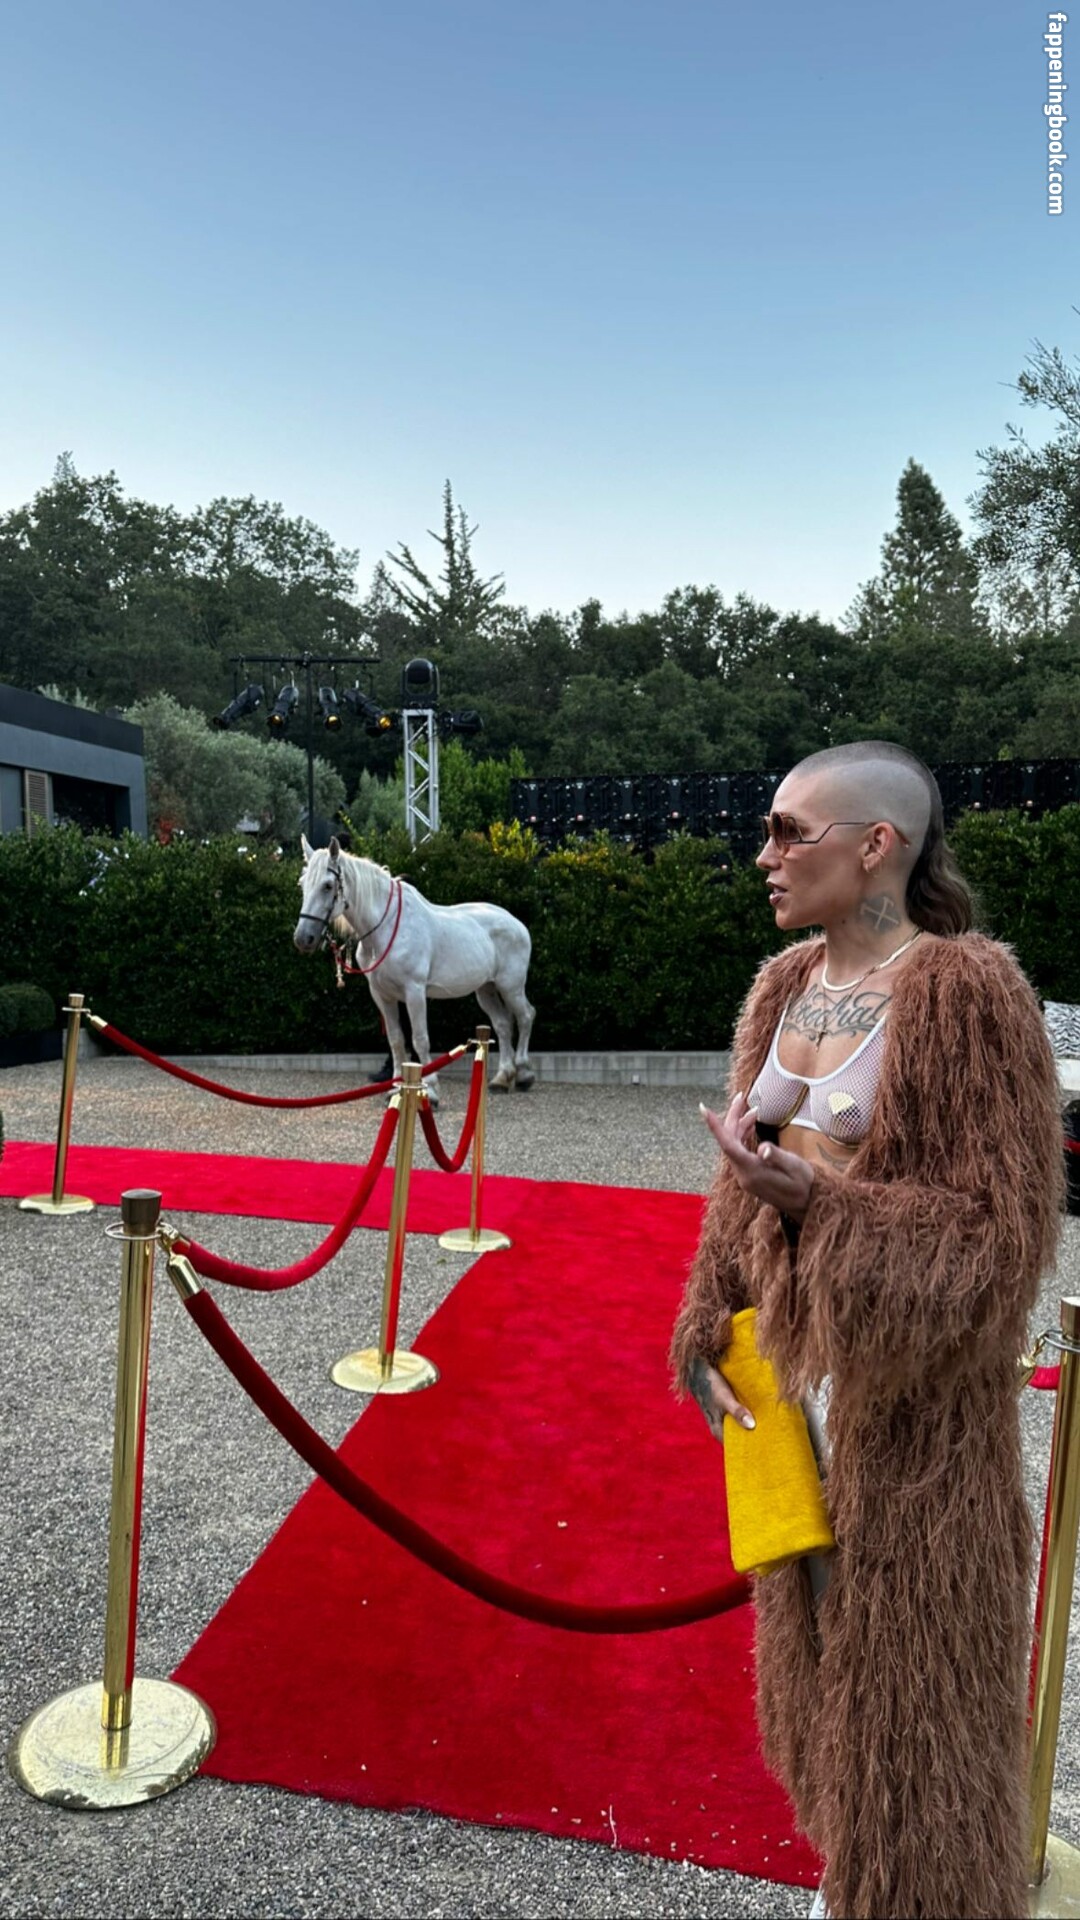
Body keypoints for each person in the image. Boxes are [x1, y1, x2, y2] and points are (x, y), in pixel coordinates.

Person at [670, 741, 1063, 1920]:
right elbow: (740, 1185)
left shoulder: (965, 992)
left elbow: (999, 1241)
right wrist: (708, 1319)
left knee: (919, 1724)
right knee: (822, 1681)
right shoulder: (784, 984)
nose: (766, 854)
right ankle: (854, 1879)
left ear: (876, 845)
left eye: (791, 831)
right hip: (789, 1403)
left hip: (917, 1432)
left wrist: (824, 1211)